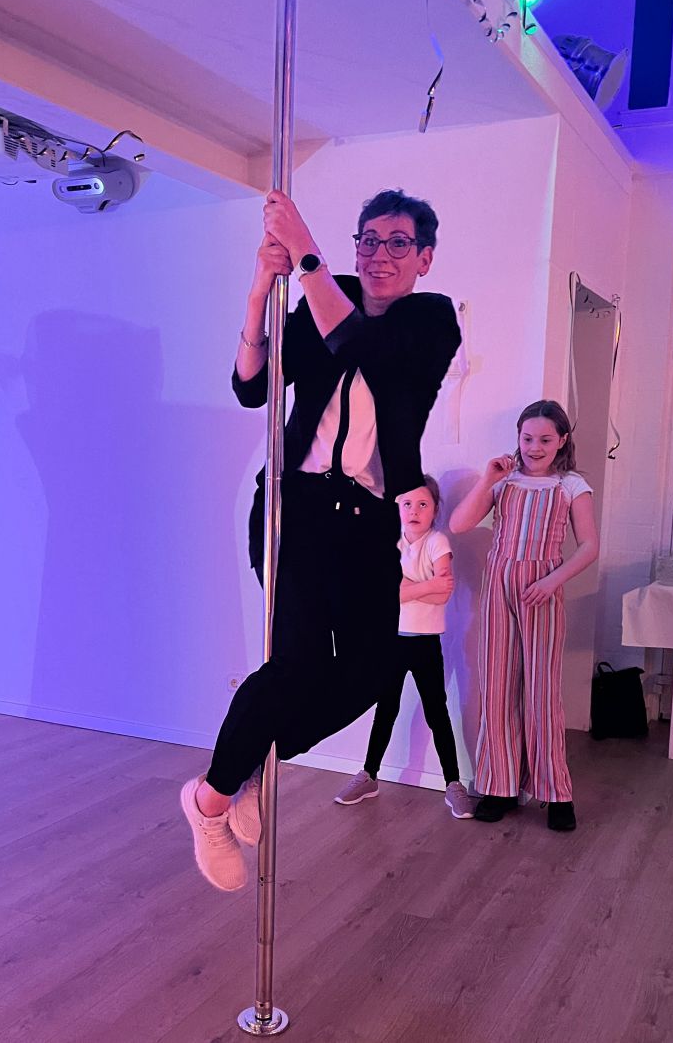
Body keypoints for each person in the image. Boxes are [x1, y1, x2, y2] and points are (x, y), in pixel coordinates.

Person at [181, 188, 461, 890]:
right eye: (368, 240)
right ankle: (211, 802)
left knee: (371, 670)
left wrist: (305, 251)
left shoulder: (432, 321)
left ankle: (247, 767)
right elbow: (252, 386)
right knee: (297, 663)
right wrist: (257, 293)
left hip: (368, 517)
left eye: (398, 242)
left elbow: (363, 348)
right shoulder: (315, 295)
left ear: (424, 257)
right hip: (296, 508)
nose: (378, 255)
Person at [449, 400, 599, 832]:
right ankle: (499, 787)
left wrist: (552, 582)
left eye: (545, 440)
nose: (535, 447)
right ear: (518, 437)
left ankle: (556, 793)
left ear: (562, 440)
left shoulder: (571, 485)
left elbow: (589, 546)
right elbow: (459, 524)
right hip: (498, 588)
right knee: (497, 687)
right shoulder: (504, 480)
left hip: (542, 591)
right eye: (528, 438)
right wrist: (488, 479)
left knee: (541, 692)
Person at [333, 477, 474, 819]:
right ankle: (369, 775)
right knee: (386, 709)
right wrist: (425, 585)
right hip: (390, 641)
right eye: (407, 504)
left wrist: (404, 586)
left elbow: (443, 594)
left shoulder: (438, 541)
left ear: (435, 510)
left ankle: (453, 783)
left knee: (436, 712)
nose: (414, 510)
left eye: (423, 504)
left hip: (425, 643)